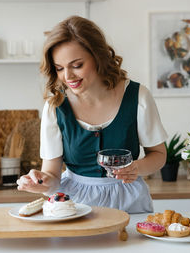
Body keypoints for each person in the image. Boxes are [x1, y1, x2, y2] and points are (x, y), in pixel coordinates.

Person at [17, 15, 168, 213]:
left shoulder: (138, 96)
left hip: (129, 202)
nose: (68, 76)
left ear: (98, 57)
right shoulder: (56, 106)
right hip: (73, 206)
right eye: (59, 68)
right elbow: (52, 177)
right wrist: (40, 182)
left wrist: (136, 168)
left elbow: (158, 155)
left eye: (77, 65)